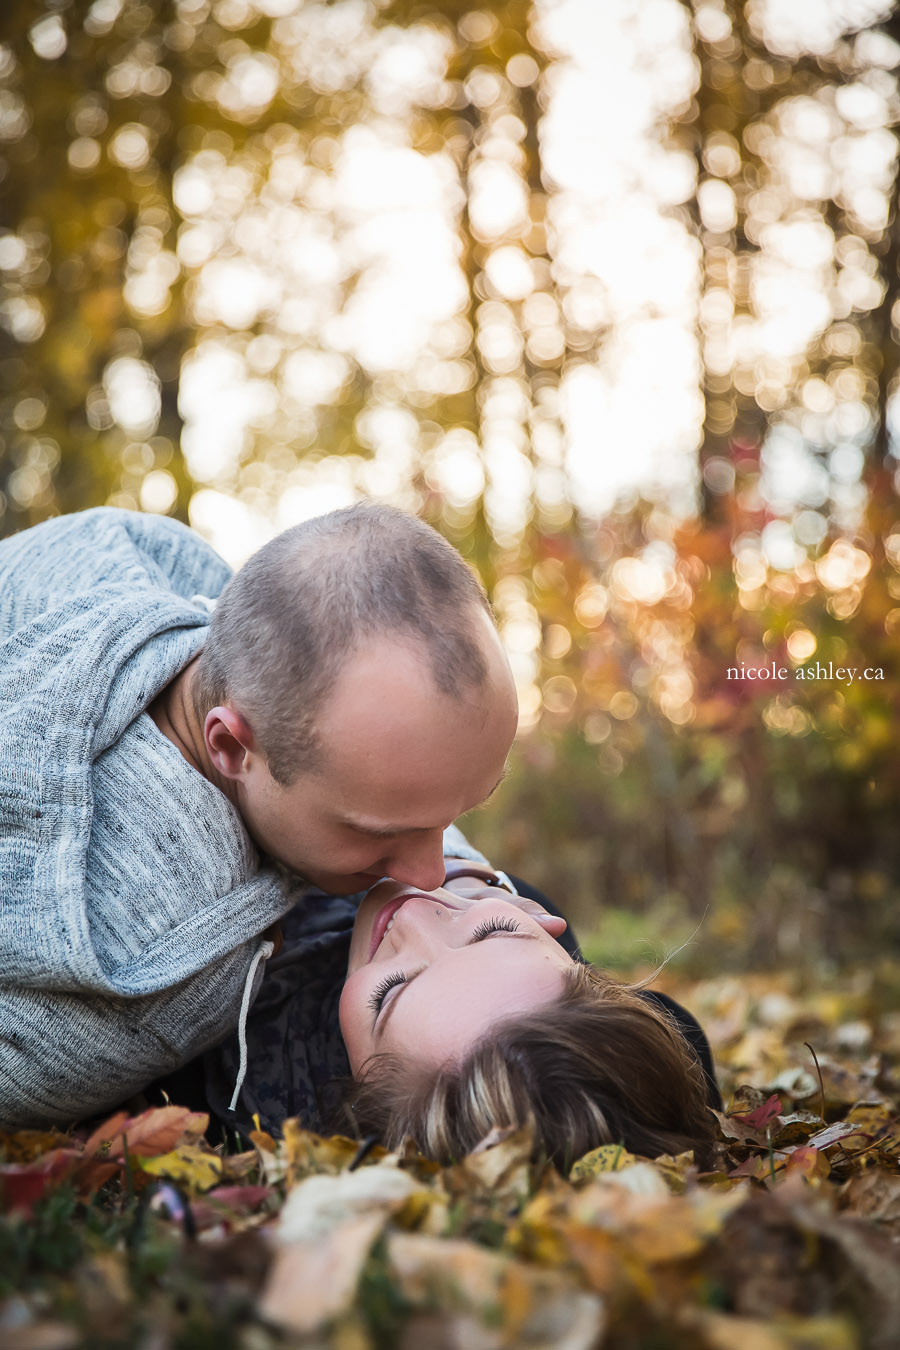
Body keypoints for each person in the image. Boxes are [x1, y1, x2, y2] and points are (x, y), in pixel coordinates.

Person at [0, 502, 516, 1129]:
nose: (429, 873)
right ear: (231, 747)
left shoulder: (141, 554)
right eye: (377, 833)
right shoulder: (162, 974)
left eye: (458, 813)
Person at [185, 865, 720, 1169]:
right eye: (492, 933)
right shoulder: (528, 927)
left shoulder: (232, 1086)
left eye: (392, 989)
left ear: (356, 1086)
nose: (414, 913)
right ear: (545, 928)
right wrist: (473, 884)